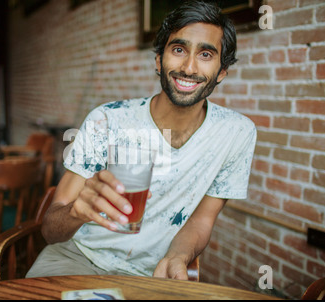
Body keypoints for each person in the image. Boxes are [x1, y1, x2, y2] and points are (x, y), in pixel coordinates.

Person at [26, 0, 257, 280]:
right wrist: (78, 211)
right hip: (76, 258)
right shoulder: (107, 120)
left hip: (149, 274)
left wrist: (177, 258)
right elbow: (50, 231)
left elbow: (201, 220)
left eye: (206, 54)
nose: (189, 66)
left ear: (222, 72)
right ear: (159, 61)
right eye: (179, 49)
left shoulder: (236, 133)